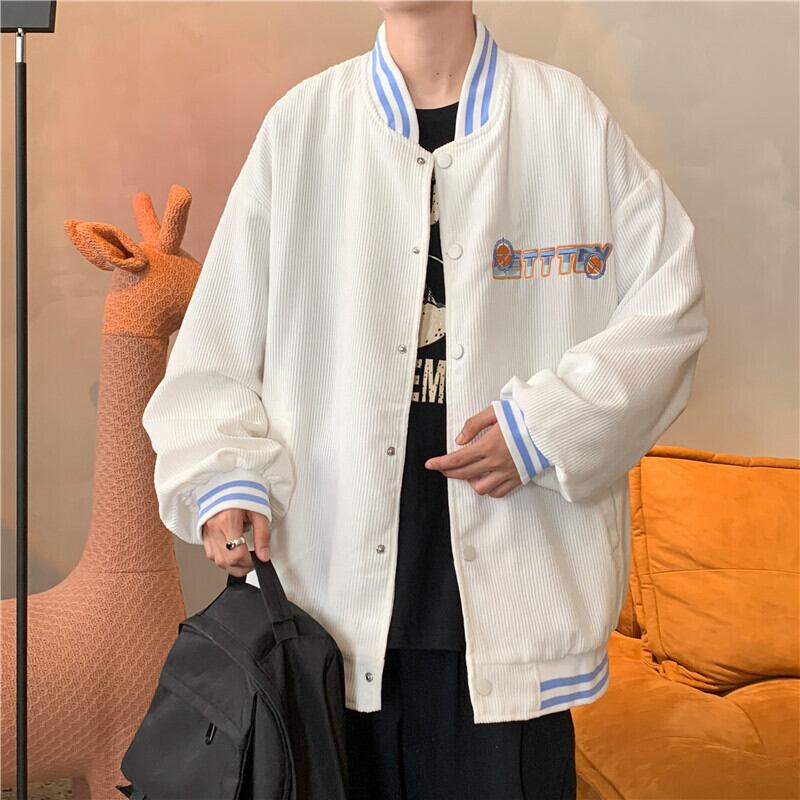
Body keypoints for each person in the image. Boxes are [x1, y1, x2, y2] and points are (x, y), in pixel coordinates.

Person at [142, 2, 709, 798]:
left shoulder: (566, 121)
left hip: (514, 613)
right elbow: (216, 350)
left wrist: (543, 428)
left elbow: (670, 310)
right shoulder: (304, 127)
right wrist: (224, 475)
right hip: (325, 615)